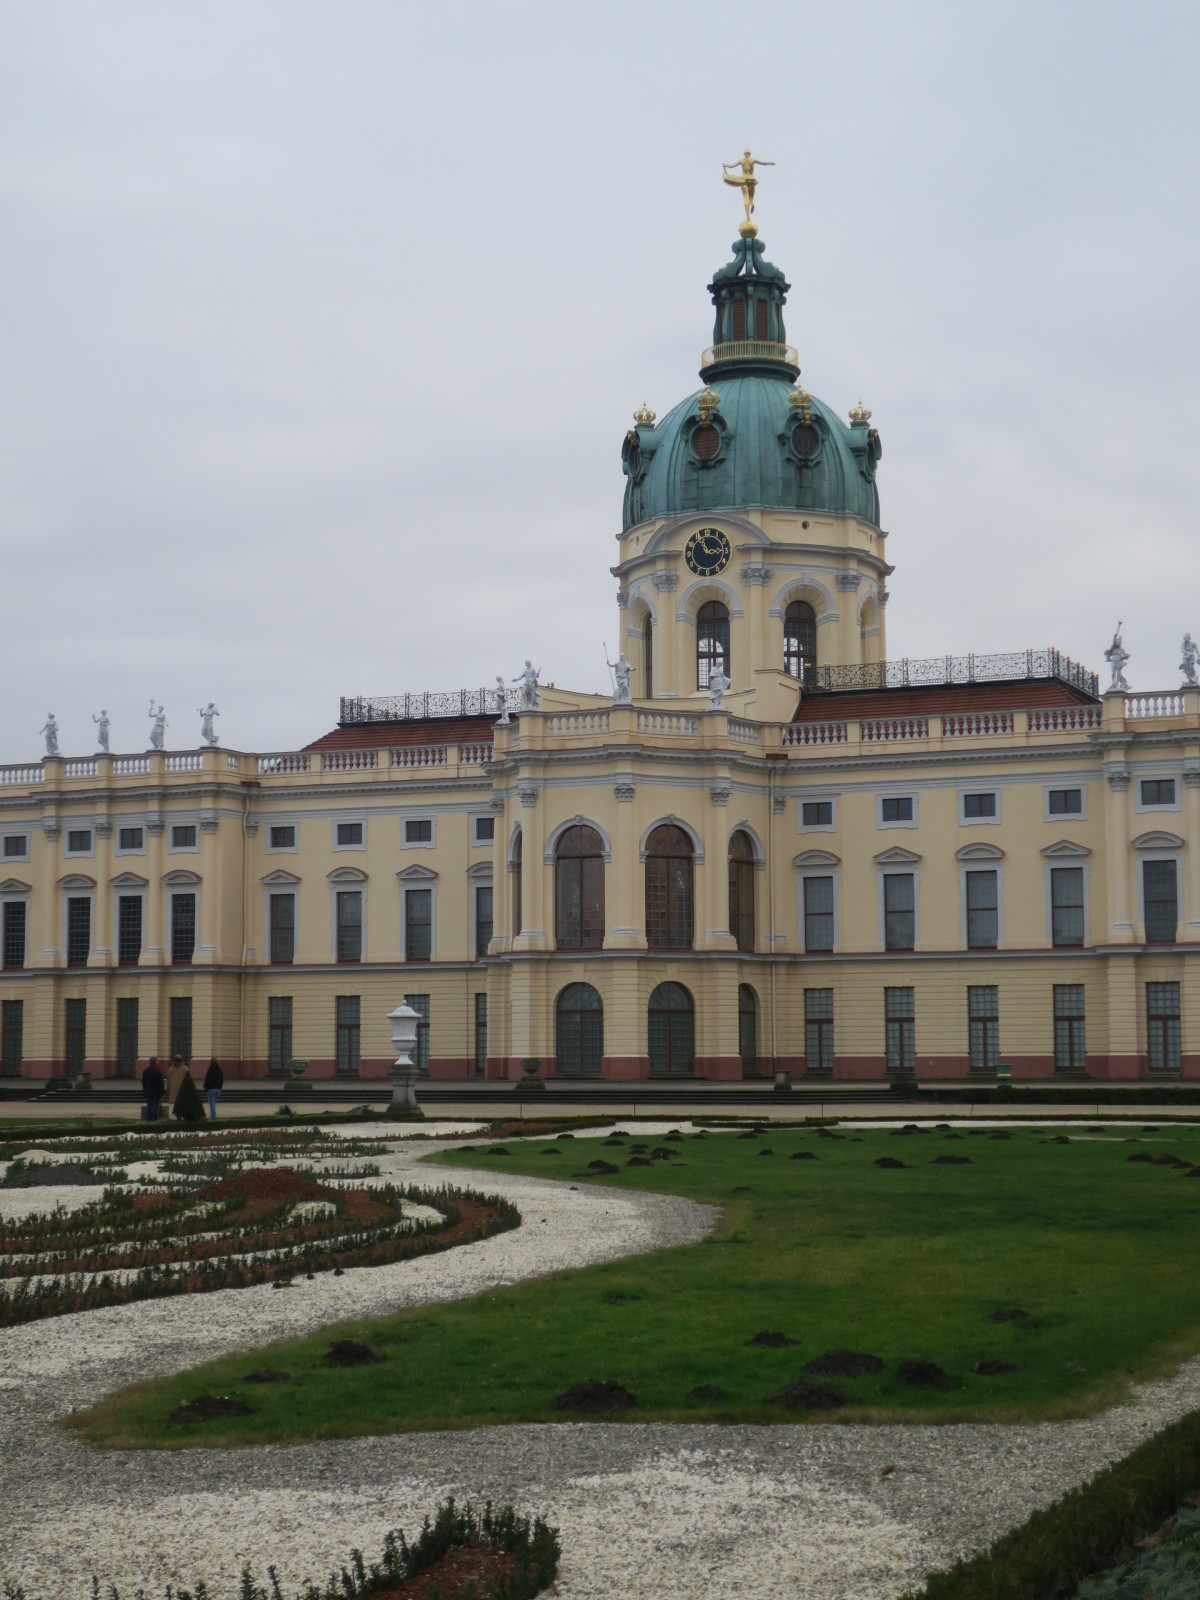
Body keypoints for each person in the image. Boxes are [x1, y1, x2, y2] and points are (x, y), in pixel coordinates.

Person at [141, 1055, 165, 1122]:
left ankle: (148, 1120)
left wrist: (145, 1091)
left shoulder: (145, 1071)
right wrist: (162, 1093)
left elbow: (143, 1083)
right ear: (155, 1062)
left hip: (148, 1091)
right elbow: (160, 1083)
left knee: (149, 1106)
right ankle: (154, 1120)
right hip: (156, 1092)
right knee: (155, 1106)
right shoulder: (158, 1071)